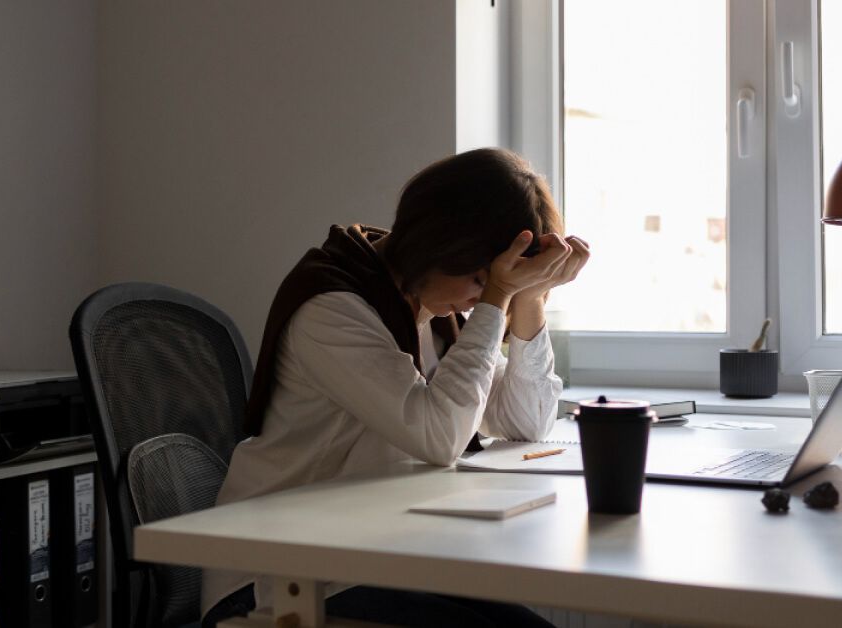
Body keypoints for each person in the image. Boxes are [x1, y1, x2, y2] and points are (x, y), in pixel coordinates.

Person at [202, 148, 589, 627]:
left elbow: (525, 423)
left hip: (370, 557)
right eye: (478, 278)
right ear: (440, 244)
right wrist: (496, 300)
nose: (478, 297)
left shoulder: (433, 310)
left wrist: (528, 298)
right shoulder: (332, 307)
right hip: (277, 575)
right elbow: (438, 438)